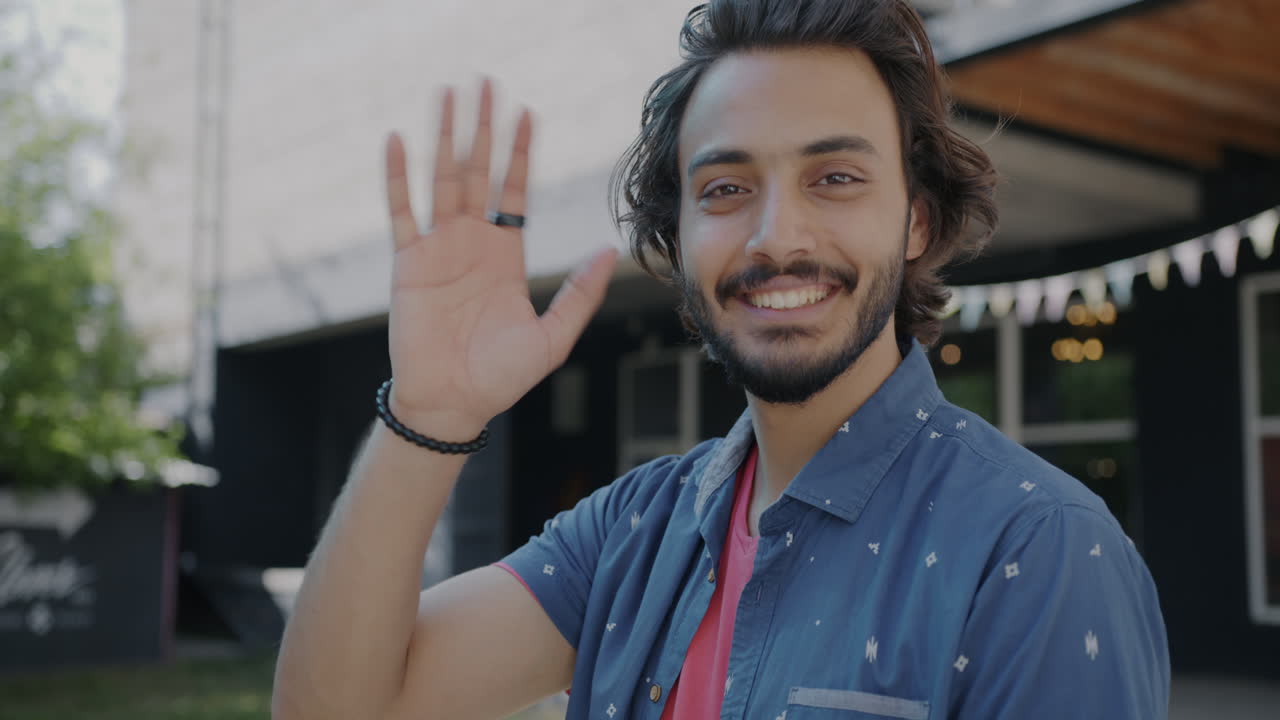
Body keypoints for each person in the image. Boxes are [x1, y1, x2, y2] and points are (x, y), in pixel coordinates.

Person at [271, 1, 1170, 718]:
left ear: (916, 221)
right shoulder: (633, 530)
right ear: (679, 237)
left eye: (836, 177)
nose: (778, 235)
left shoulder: (1040, 550)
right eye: (727, 189)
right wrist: (430, 416)